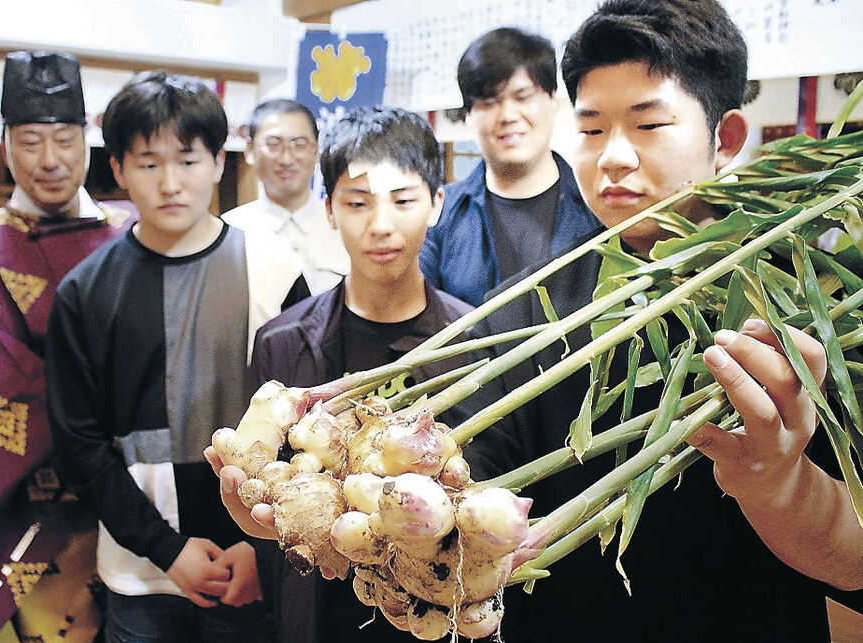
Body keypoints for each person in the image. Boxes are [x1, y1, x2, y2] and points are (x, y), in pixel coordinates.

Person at [460, 1, 863, 640]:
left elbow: (857, 564)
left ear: (725, 138)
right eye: (591, 131)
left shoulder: (816, 312)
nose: (612, 157)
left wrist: (780, 488)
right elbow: (465, 466)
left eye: (648, 125)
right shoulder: (520, 308)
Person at [44, 70, 303, 642]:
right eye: (147, 162)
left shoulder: (275, 269)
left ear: (217, 162)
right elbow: (79, 445)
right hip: (138, 574)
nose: (170, 183)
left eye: (187, 160)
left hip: (254, 559)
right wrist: (168, 549)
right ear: (116, 169)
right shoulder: (85, 293)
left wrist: (263, 547)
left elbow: (307, 423)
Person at [211, 106, 472, 643]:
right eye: (357, 203)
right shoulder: (282, 344)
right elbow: (262, 489)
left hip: (434, 610)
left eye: (403, 201)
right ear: (329, 209)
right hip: (317, 613)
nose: (381, 225)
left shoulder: (473, 344)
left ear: (437, 204)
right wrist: (252, 517)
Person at [0, 50, 136, 643]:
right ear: (3, 145)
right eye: (30, 141)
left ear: (88, 139)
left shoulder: (129, 234)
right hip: (45, 518)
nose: (51, 161)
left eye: (66, 139)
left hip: (154, 502)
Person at [420, 26, 600, 306]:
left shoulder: (598, 206)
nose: (507, 115)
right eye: (490, 102)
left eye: (523, 97)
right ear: (468, 115)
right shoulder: (439, 216)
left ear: (553, 100)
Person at [222, 99, 349, 295]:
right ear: (250, 151)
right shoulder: (228, 232)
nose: (287, 159)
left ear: (316, 150)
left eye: (299, 145)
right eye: (273, 144)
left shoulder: (346, 228)